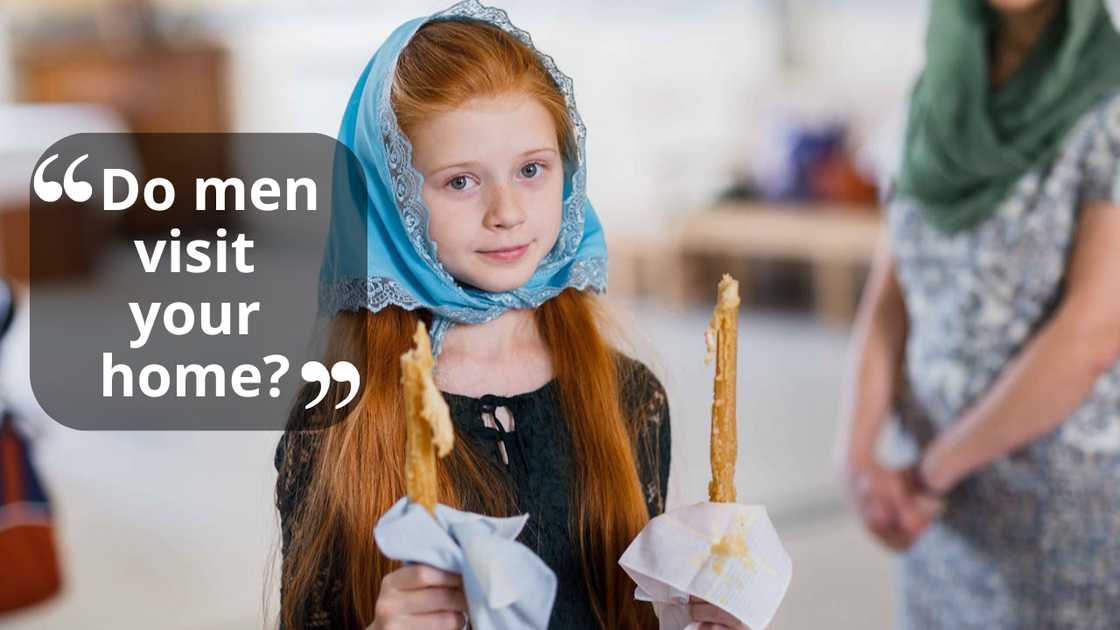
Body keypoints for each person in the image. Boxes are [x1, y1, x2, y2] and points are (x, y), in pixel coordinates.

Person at [273, 3, 749, 629]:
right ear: (390, 197)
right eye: (461, 182)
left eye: (531, 170)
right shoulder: (339, 419)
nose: (507, 212)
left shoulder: (629, 396)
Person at [839, 0, 1120, 628]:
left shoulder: (1111, 106)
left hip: (1062, 525)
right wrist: (855, 455)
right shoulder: (934, 95)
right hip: (933, 524)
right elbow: (892, 293)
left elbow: (1093, 332)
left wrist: (932, 475)